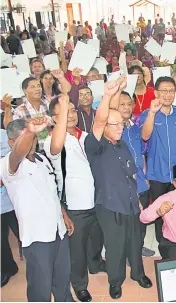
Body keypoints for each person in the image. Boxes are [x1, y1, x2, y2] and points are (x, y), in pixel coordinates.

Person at [84, 77, 152, 299]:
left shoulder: (122, 145)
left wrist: (138, 199)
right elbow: (99, 121)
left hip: (131, 203)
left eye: (122, 124)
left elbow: (131, 175)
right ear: (105, 128)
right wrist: (107, 96)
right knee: (115, 246)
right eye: (116, 125)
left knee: (135, 241)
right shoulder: (96, 146)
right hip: (110, 206)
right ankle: (115, 281)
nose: (121, 128)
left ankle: (138, 274)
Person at [2, 118, 74, 302]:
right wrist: (29, 131)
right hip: (37, 238)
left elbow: (51, 192)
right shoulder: (9, 165)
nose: (30, 142)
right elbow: (18, 153)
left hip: (58, 231)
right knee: (40, 288)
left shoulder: (42, 159)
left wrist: (63, 214)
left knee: (63, 279)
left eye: (33, 138)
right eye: (25, 138)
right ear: (11, 143)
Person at [44, 95, 105, 302]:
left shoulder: (83, 136)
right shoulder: (51, 141)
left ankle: (95, 263)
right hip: (74, 205)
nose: (70, 114)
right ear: (54, 118)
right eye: (64, 111)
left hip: (95, 200)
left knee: (96, 239)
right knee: (76, 249)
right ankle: (79, 284)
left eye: (72, 110)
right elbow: (55, 147)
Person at [140, 76, 176, 243]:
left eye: (171, 91)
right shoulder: (147, 114)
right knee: (159, 208)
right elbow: (145, 136)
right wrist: (152, 112)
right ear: (156, 93)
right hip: (157, 169)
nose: (168, 95)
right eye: (164, 91)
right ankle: (162, 240)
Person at [112, 91, 155, 257]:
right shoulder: (113, 130)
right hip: (123, 183)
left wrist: (146, 175)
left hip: (141, 182)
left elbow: (142, 153)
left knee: (141, 219)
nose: (126, 107)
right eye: (121, 104)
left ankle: (138, 247)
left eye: (129, 104)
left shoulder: (136, 128)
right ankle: (128, 253)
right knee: (127, 221)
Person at [0, 123, 20, 288]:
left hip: (13, 199)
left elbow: (16, 160)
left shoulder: (5, 136)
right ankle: (7, 268)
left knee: (23, 233)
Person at [12, 77, 52, 152]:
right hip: (34, 152)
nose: (37, 89)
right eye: (32, 87)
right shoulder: (19, 111)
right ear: (25, 90)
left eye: (38, 86)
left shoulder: (49, 104)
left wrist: (50, 123)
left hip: (53, 148)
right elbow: (17, 134)